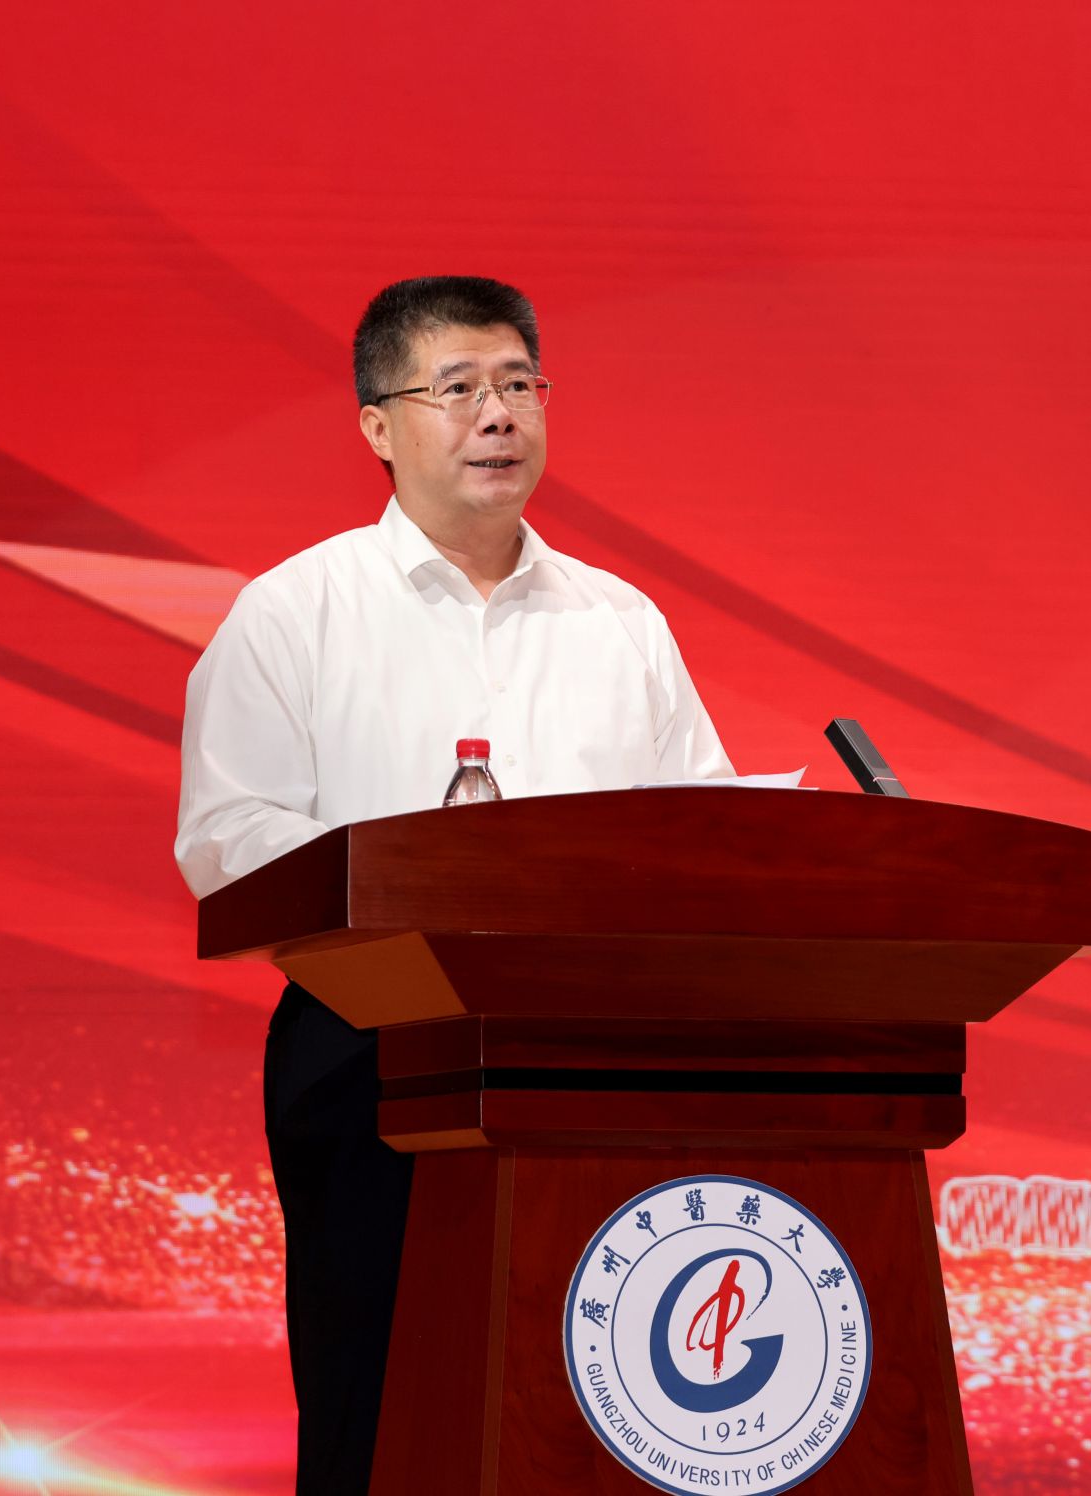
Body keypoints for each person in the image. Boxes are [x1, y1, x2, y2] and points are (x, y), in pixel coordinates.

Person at [174, 275, 732, 1494]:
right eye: (460, 387)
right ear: (378, 425)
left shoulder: (619, 620)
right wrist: (415, 880)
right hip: (374, 1050)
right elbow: (225, 835)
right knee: (384, 1402)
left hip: (596, 1060)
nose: (498, 414)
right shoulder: (295, 611)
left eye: (519, 384)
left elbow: (700, 826)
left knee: (596, 1408)